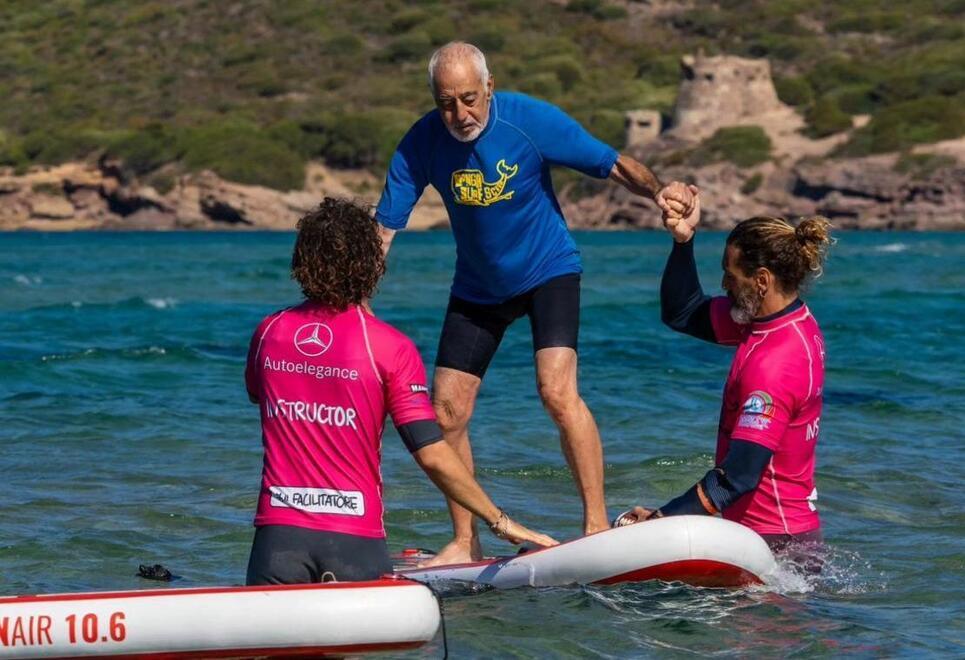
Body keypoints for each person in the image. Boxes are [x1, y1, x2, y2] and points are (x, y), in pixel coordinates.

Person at [375, 41, 693, 565]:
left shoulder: (528, 121)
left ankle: (594, 526)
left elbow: (613, 165)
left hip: (549, 271)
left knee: (556, 392)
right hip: (478, 287)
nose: (460, 114)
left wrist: (659, 194)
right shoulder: (421, 143)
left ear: (490, 88)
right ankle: (465, 540)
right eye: (447, 102)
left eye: (470, 99)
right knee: (447, 412)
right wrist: (354, 303)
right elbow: (385, 228)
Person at [244, 198, 556, 585]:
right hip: (354, 541)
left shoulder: (268, 332)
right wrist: (500, 521)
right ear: (372, 263)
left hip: (278, 540)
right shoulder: (389, 347)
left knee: (275, 647)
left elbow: (259, 396)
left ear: (302, 260)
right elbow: (432, 453)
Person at [615, 183, 832, 562]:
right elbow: (682, 312)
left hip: (771, 549)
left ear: (761, 280)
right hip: (775, 538)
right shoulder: (781, 321)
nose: (723, 286)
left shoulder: (775, 364)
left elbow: (737, 477)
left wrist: (660, 520)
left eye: (730, 277)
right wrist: (683, 241)